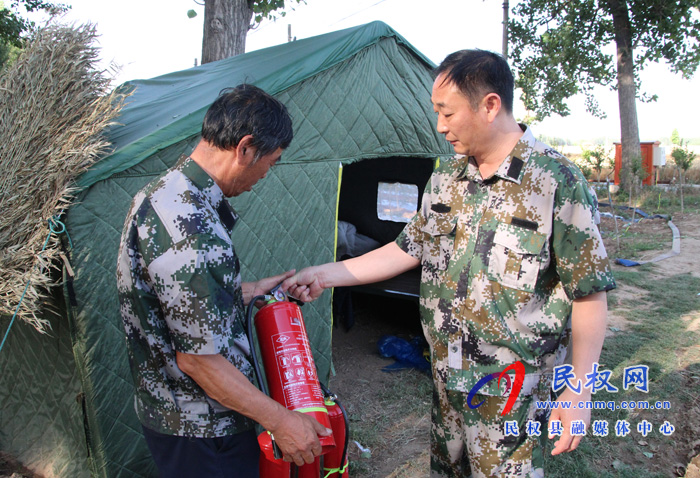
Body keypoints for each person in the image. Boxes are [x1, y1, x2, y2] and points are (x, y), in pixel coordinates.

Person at [283, 50, 616, 477]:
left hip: (513, 391)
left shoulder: (557, 182)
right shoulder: (447, 178)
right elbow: (406, 249)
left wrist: (579, 391)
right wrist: (324, 275)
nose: (440, 126)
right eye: (436, 112)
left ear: (490, 105)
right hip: (446, 382)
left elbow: (588, 293)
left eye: (448, 112)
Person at [117, 84, 331, 478]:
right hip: (204, 430)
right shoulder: (193, 230)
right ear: (245, 148)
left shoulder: (163, 192)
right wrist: (282, 422)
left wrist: (248, 291)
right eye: (272, 160)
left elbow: (175, 303)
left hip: (171, 413)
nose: (267, 174)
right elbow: (200, 361)